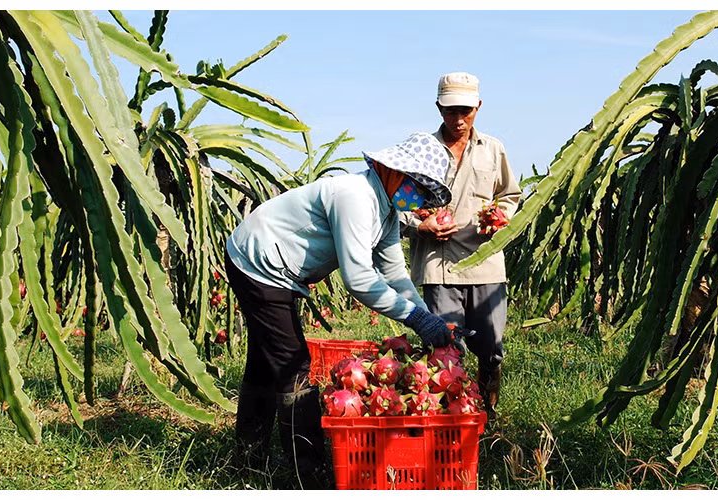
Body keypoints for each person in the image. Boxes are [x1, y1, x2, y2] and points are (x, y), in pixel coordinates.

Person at [224, 132, 456, 489]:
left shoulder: (386, 211)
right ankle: (307, 473)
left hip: (273, 268)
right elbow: (360, 279)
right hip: (259, 262)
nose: (418, 196)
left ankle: (246, 457)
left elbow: (394, 272)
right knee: (292, 363)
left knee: (265, 359)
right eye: (416, 185)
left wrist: (426, 316)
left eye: (424, 191)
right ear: (392, 170)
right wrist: (415, 319)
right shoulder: (356, 197)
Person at [400, 72, 522, 420]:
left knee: (490, 346)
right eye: (451, 110)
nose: (458, 119)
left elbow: (510, 195)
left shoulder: (493, 150)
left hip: (485, 263)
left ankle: (488, 402)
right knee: (443, 349)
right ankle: (451, 417)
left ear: (478, 107)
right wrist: (419, 224)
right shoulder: (420, 153)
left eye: (465, 110)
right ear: (439, 107)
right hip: (438, 267)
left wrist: (499, 214)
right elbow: (400, 203)